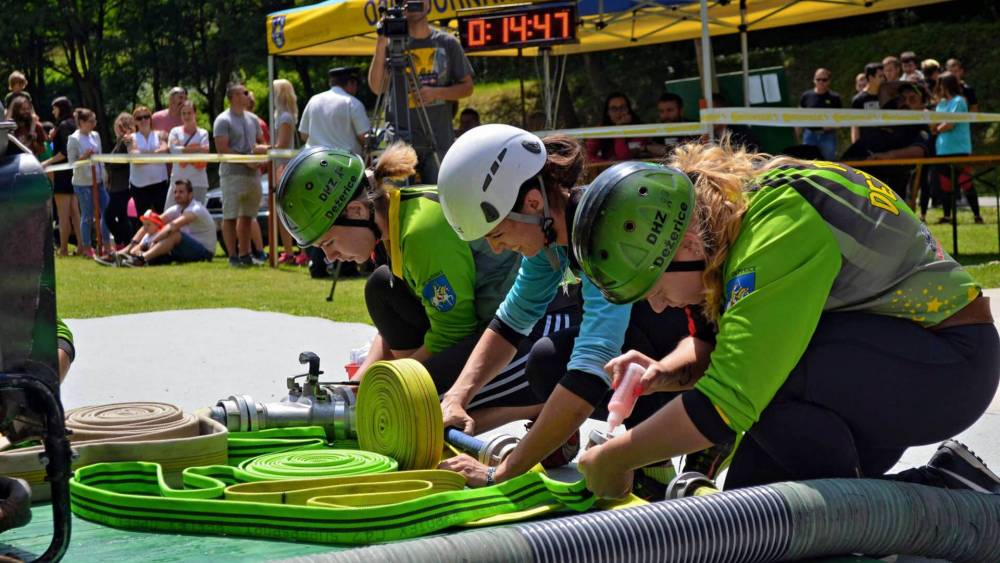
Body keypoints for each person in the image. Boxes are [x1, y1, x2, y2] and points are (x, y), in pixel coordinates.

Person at [571, 140, 1000, 498]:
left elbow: (726, 401)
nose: (660, 306)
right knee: (753, 510)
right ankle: (938, 488)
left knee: (769, 384)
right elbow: (715, 349)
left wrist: (615, 457)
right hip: (891, 365)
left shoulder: (776, 227)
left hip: (951, 368)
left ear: (684, 247)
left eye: (657, 290)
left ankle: (905, 504)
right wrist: (663, 371)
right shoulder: (727, 218)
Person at [433, 125, 720, 495]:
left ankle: (692, 436)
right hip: (662, 338)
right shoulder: (547, 238)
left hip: (693, 338)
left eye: (498, 234)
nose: (498, 249)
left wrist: (504, 471)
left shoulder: (601, 232)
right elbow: (511, 322)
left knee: (584, 363)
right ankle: (645, 445)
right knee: (546, 359)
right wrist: (457, 396)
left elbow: (589, 369)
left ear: (533, 203)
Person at [275, 143, 578, 428]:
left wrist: (394, 382)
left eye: (328, 242)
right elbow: (394, 328)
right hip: (491, 325)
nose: (328, 257)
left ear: (356, 211)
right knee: (382, 287)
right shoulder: (392, 219)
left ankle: (543, 406)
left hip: (534, 330)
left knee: (413, 415)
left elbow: (453, 331)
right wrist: (360, 385)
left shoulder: (420, 233)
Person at [368, 0, 474, 183]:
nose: (413, 3)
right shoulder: (392, 44)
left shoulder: (447, 43)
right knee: (399, 199)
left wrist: (437, 93)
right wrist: (381, 41)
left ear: (429, 5)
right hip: (400, 140)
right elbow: (377, 87)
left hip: (439, 138)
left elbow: (468, 87)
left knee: (440, 196)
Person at [842, 81, 933, 202]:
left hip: (886, 167)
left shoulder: (920, 125)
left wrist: (887, 156)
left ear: (923, 105)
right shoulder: (892, 109)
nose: (905, 102)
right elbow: (885, 87)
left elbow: (919, 150)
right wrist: (911, 83)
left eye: (912, 99)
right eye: (902, 98)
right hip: (857, 157)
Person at [213, 82, 268, 268]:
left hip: (253, 175)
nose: (248, 95)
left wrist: (263, 153)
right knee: (230, 216)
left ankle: (245, 254)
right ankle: (232, 257)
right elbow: (222, 149)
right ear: (235, 96)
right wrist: (247, 160)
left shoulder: (253, 119)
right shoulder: (222, 120)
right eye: (244, 93)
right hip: (232, 175)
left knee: (247, 215)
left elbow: (259, 143)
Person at [103, 180, 216, 267]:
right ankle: (124, 256)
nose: (177, 195)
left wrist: (151, 242)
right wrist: (133, 245)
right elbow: (150, 222)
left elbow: (172, 227)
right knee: (151, 226)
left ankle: (141, 259)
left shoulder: (195, 209)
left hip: (205, 252)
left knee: (174, 234)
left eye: (181, 192)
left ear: (190, 194)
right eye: (175, 192)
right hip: (185, 248)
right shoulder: (176, 209)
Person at [933, 72, 981, 225]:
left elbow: (950, 124)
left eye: (940, 84)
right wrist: (938, 127)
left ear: (946, 85)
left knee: (966, 182)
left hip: (960, 148)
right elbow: (935, 125)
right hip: (942, 150)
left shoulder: (959, 101)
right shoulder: (940, 104)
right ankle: (947, 216)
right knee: (945, 184)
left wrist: (938, 128)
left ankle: (977, 215)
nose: (938, 87)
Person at [67, 108, 112, 258]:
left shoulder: (96, 136)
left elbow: (99, 156)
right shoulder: (74, 139)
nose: (94, 124)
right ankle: (87, 247)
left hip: (98, 181)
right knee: (87, 215)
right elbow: (71, 163)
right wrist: (84, 157)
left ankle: (106, 244)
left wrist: (104, 173)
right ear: (81, 123)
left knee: (107, 211)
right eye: (90, 121)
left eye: (95, 121)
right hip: (82, 183)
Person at [42, 96, 83, 257]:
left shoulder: (65, 125)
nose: (53, 111)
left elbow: (64, 152)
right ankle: (81, 246)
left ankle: (64, 249)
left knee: (63, 214)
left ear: (61, 108)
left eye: (55, 108)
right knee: (75, 212)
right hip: (73, 173)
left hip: (63, 173)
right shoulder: (73, 124)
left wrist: (47, 162)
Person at [299, 67, 370, 155]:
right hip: (345, 162)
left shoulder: (313, 100)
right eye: (356, 84)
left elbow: (304, 135)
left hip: (315, 160)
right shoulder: (353, 103)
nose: (356, 89)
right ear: (351, 83)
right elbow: (364, 138)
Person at [271, 79, 303, 265]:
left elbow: (281, 145)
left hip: (283, 167)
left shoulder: (284, 117)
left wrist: (264, 148)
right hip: (281, 166)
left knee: (288, 212)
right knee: (283, 212)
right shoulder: (283, 116)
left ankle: (296, 251)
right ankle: (290, 251)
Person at [127, 106, 170, 215]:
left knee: (163, 218)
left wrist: (143, 156)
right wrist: (156, 156)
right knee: (144, 222)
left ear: (150, 119)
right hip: (139, 186)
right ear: (135, 121)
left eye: (146, 117)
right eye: (139, 118)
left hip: (160, 184)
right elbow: (135, 159)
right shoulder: (130, 138)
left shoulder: (160, 134)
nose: (143, 120)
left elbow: (164, 151)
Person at [166, 101, 210, 206]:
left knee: (196, 216)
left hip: (198, 183)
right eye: (183, 113)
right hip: (177, 183)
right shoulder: (175, 131)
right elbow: (172, 150)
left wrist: (183, 152)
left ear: (195, 114)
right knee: (170, 215)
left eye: (189, 113)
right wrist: (195, 149)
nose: (186, 116)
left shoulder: (203, 133)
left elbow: (205, 150)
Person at [586, 92, 649, 162]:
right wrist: (605, 164)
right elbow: (586, 155)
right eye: (614, 109)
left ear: (628, 109)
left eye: (622, 108)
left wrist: (619, 127)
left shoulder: (637, 128)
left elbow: (624, 158)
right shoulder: (602, 129)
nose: (619, 112)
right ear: (607, 112)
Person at [105, 112, 137, 248]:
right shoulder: (119, 142)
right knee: (120, 217)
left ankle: (122, 243)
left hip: (122, 187)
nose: (117, 128)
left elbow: (120, 162)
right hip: (116, 187)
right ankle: (123, 244)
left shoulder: (126, 141)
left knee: (110, 216)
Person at [797, 68, 842, 160]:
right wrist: (796, 136)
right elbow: (799, 117)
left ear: (829, 81)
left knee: (829, 164)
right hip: (810, 135)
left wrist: (826, 127)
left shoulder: (835, 98)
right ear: (814, 80)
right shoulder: (806, 96)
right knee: (808, 163)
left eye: (824, 80)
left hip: (828, 136)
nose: (821, 82)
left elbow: (840, 121)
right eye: (818, 79)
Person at [645, 92, 698, 158]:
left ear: (681, 110)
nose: (665, 115)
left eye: (670, 110)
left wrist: (662, 149)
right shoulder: (658, 132)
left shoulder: (695, 128)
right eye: (661, 111)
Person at [850, 62, 884, 144]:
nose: (883, 79)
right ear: (871, 77)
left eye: (883, 76)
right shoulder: (858, 100)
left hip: (885, 144)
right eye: (880, 76)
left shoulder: (886, 96)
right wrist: (856, 146)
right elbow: (855, 126)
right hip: (866, 144)